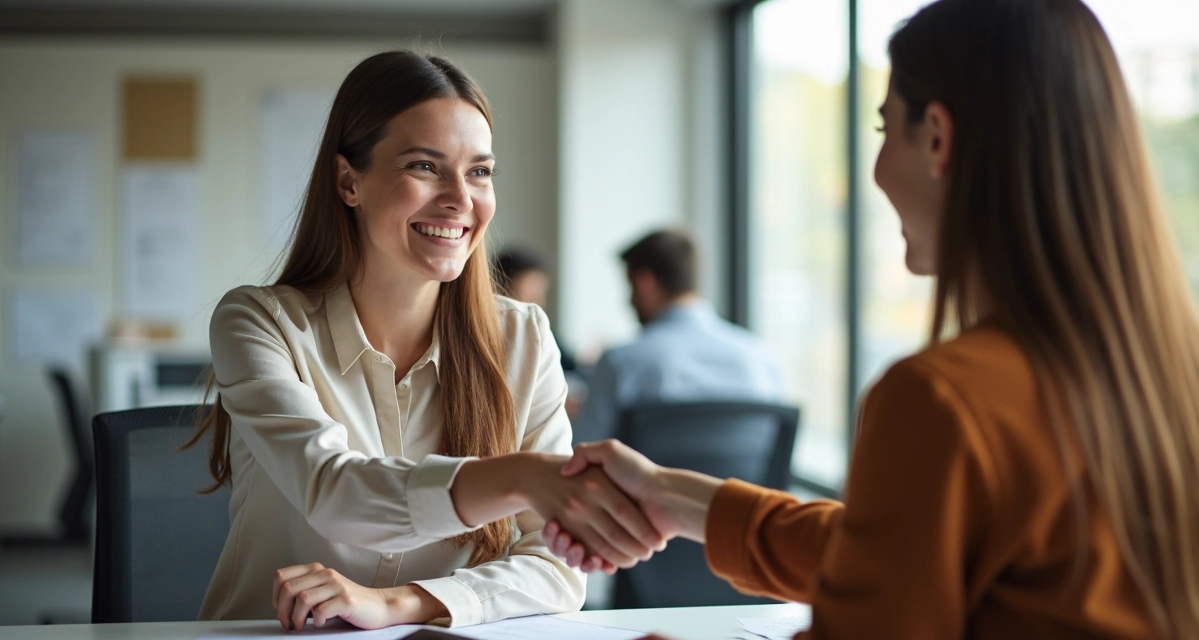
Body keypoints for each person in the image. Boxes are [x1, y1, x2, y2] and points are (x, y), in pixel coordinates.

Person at [545, 0, 1199, 637]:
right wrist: (673, 495)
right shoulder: (1170, 370)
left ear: (938, 137)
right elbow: (900, 552)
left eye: (885, 131)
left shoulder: (944, 398)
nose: (878, 169)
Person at [184, 50, 663, 632]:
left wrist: (402, 602)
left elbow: (558, 568)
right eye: (424, 166)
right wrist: (519, 476)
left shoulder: (522, 337)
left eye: (480, 171)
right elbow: (335, 491)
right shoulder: (260, 323)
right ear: (348, 181)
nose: (461, 198)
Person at [573, 230, 784, 443]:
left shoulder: (620, 362)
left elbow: (580, 454)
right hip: (739, 479)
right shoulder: (764, 358)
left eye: (630, 288)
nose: (629, 302)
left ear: (645, 283)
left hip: (644, 478)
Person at [491, 246, 580, 374]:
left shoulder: (538, 328)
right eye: (532, 293)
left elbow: (569, 364)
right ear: (502, 288)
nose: (540, 302)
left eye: (540, 292)